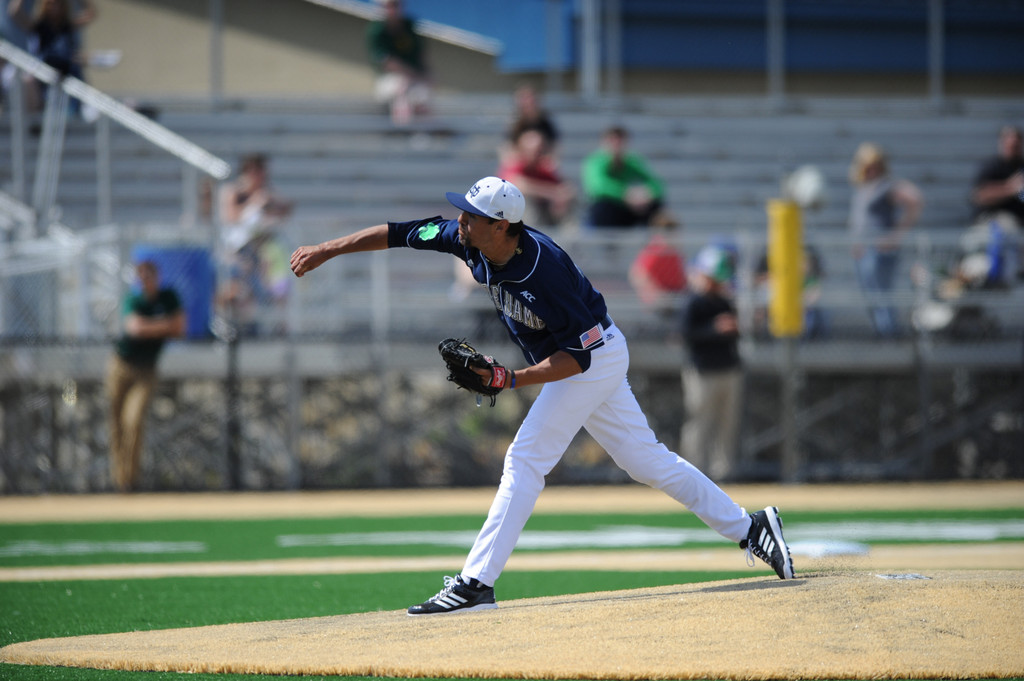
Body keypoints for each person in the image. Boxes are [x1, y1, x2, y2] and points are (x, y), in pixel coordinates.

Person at [289, 176, 795, 616]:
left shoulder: (544, 270)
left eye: (473, 216)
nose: (460, 221)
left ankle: (475, 583)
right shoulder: (469, 239)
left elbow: (579, 359)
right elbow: (397, 233)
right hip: (587, 356)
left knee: (525, 458)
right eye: (463, 213)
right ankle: (751, 528)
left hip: (591, 356)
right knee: (646, 461)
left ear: (504, 226)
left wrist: (509, 380)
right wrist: (328, 249)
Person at [106, 260, 185, 492]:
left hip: (146, 369)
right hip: (121, 365)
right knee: (116, 422)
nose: (145, 282)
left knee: (134, 420)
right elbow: (134, 328)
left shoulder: (167, 297)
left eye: (148, 277)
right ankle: (118, 479)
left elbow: (179, 328)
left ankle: (130, 481)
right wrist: (164, 325)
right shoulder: (134, 299)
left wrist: (151, 326)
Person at [681, 245, 744, 483]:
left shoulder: (724, 302)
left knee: (728, 423)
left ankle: (724, 471)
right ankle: (693, 471)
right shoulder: (694, 302)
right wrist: (715, 329)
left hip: (728, 368)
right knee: (699, 421)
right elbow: (686, 334)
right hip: (702, 371)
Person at [847, 142, 923, 338]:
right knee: (870, 296)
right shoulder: (863, 188)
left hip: (879, 250)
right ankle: (881, 333)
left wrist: (896, 235)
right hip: (862, 251)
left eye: (875, 164)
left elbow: (915, 199)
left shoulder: (887, 185)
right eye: (867, 165)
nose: (871, 169)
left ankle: (889, 335)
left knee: (882, 295)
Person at [217, 153, 294, 336]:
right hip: (237, 250)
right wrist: (255, 202)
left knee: (270, 288)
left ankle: (272, 327)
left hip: (260, 251)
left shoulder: (266, 192)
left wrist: (272, 203)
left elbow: (285, 210)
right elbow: (231, 218)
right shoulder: (235, 192)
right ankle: (225, 326)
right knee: (234, 290)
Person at [6, 0, 96, 113]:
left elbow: (91, 14)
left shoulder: (67, 26)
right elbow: (14, 12)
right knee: (29, 81)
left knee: (79, 85)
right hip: (43, 75)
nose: (55, 7)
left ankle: (77, 111)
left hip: (66, 73)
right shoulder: (38, 26)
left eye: (59, 3)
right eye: (51, 4)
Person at [581, 125, 666, 229]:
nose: (616, 146)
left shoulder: (631, 161)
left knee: (655, 205)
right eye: (612, 141)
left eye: (619, 141)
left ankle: (656, 241)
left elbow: (656, 183)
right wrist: (625, 194)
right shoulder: (596, 161)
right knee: (603, 205)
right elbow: (598, 187)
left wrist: (647, 195)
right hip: (609, 210)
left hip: (628, 208)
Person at [366, 0, 431, 127]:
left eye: (395, 4)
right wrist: (412, 75)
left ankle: (423, 137)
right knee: (401, 91)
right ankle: (401, 132)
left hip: (415, 78)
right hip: (389, 79)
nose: (391, 10)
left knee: (422, 99)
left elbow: (421, 53)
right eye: (387, 6)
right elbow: (387, 62)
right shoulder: (376, 30)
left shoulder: (408, 25)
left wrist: (427, 74)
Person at [497, 128, 575, 228]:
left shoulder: (543, 168)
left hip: (547, 212)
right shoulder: (514, 164)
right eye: (535, 150)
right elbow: (519, 185)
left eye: (541, 150)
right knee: (524, 198)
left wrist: (562, 195)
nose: (539, 153)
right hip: (510, 217)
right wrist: (553, 194)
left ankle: (570, 238)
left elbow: (563, 189)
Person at [628, 216, 686, 315]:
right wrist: (657, 296)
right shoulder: (656, 250)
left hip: (674, 295)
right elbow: (638, 274)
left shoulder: (673, 251)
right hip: (660, 301)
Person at [970, 125, 1024, 228]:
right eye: (1010, 144)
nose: (1013, 147)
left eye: (1016, 145)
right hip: (991, 219)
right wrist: (1011, 188)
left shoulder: (1021, 167)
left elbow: (1022, 196)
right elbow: (979, 196)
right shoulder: (992, 166)